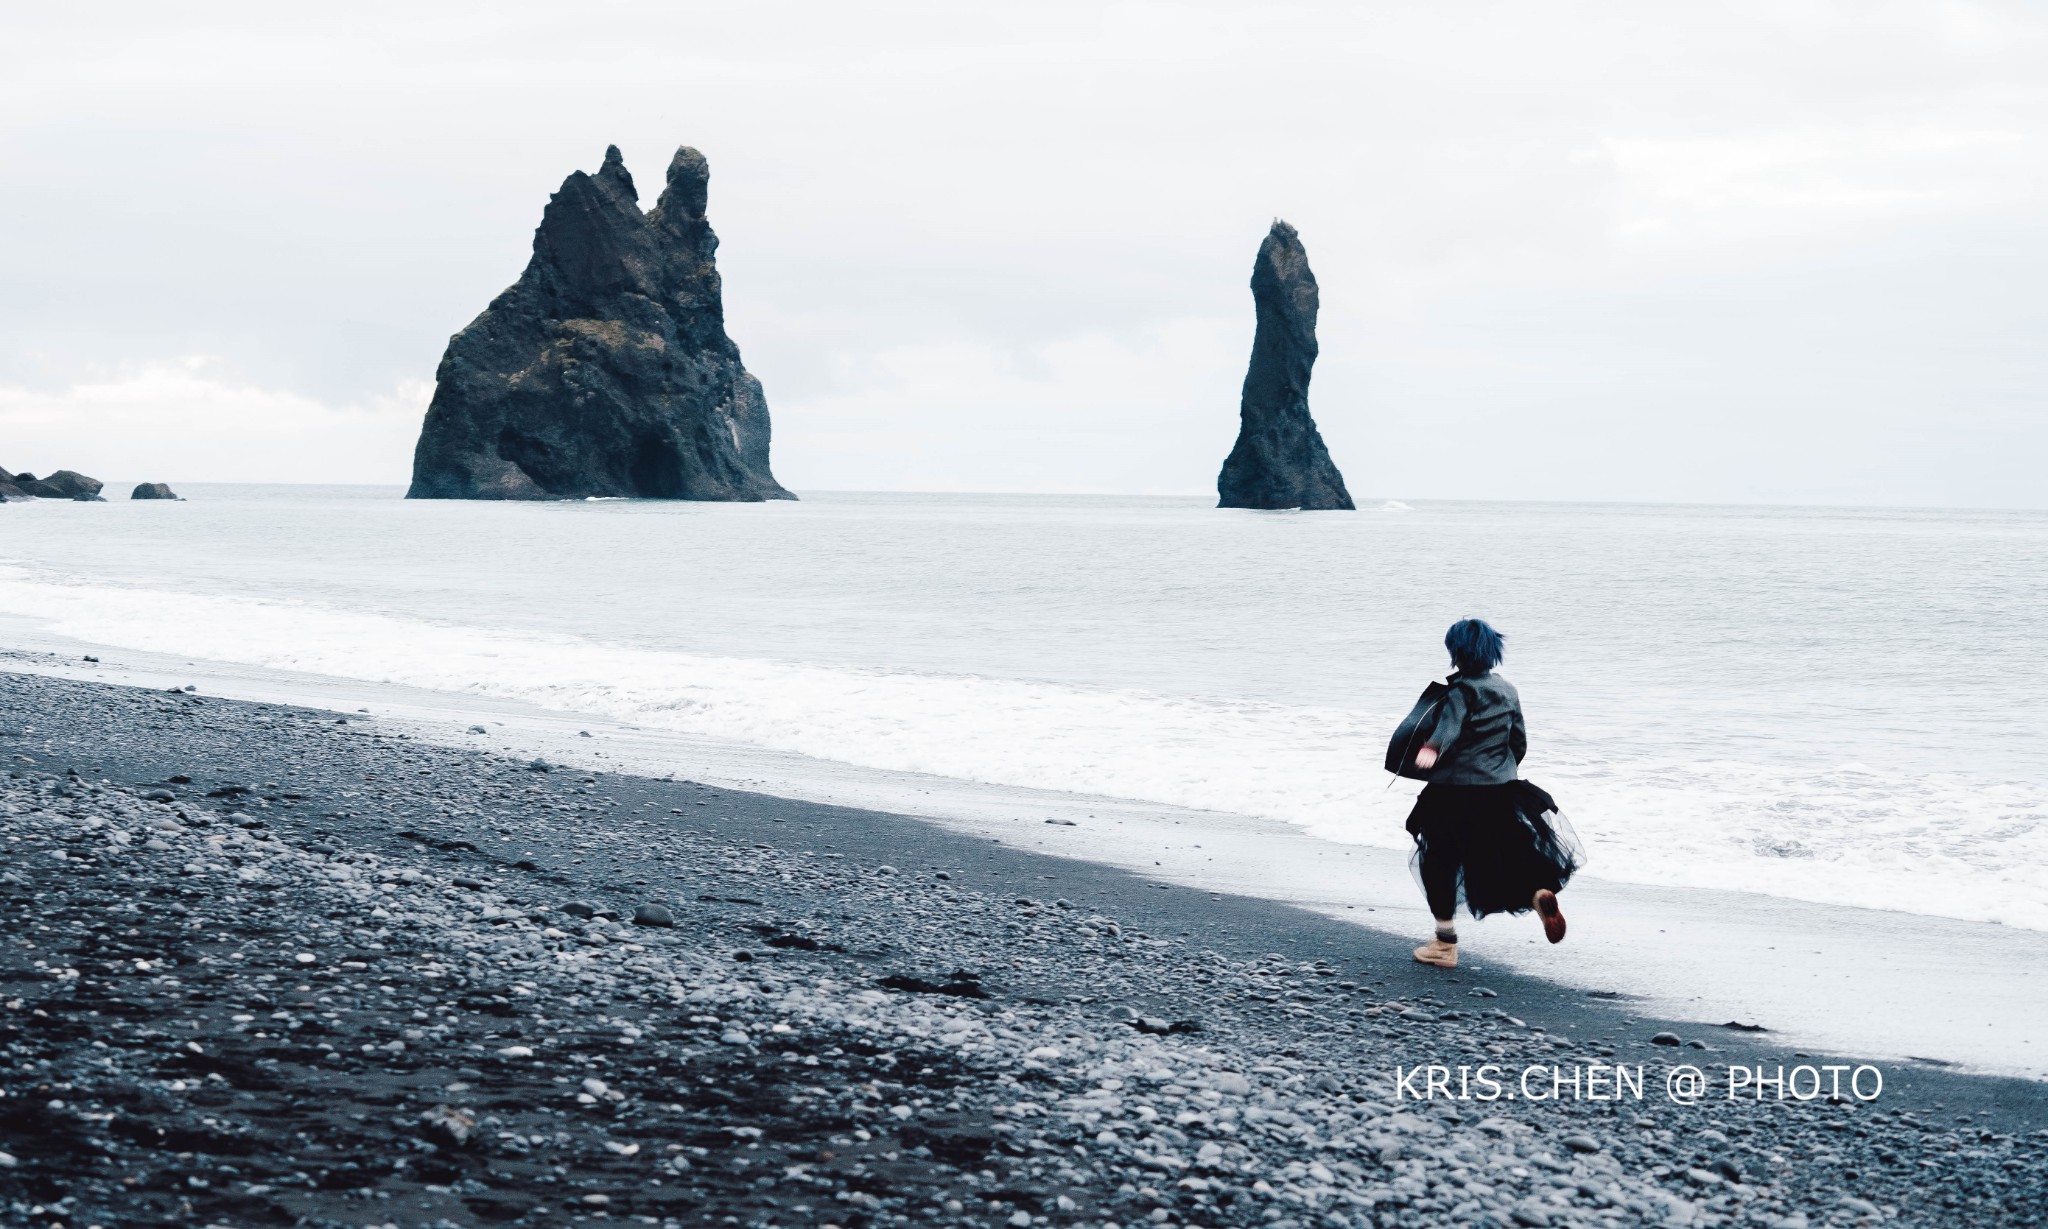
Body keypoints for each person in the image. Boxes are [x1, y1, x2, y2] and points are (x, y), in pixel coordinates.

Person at [1405, 618, 1581, 969]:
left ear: (1456, 653)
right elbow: (1519, 741)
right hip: (1501, 789)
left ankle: (1444, 944)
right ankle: (1538, 894)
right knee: (1505, 854)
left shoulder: (1461, 691)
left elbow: (1449, 728)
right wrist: (1501, 771)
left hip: (1454, 792)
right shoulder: (1507, 689)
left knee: (1439, 862)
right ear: (1492, 652)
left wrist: (1431, 750)